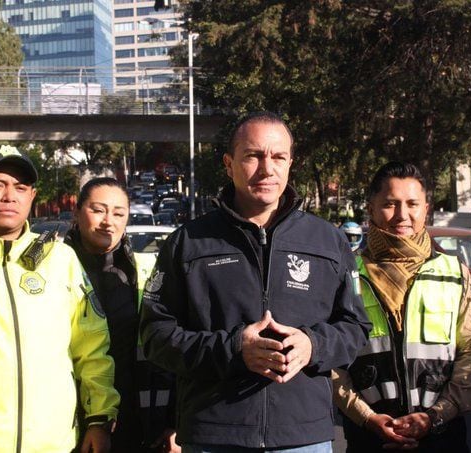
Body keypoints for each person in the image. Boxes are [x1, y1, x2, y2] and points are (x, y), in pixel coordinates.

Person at [139, 112, 371, 452]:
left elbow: (356, 327)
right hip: (213, 434)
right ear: (229, 163)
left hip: (303, 437)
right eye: (253, 156)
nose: (267, 169)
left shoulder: (327, 241)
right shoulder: (187, 243)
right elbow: (155, 335)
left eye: (278, 157)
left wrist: (312, 346)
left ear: (291, 162)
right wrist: (232, 349)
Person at [0, 145, 120, 453]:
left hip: (54, 444)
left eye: (20, 187)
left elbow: (91, 347)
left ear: (32, 196)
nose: (9, 197)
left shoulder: (60, 259)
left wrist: (98, 420)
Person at [332, 161, 471, 452]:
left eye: (412, 204)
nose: (402, 215)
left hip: (443, 436)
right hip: (369, 438)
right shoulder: (347, 273)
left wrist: (435, 417)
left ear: (426, 209)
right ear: (371, 208)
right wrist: (367, 418)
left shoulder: (454, 273)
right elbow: (331, 359)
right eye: (390, 204)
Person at [65, 177, 179, 453]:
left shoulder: (145, 272)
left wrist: (174, 423)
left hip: (136, 421)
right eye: (98, 210)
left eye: (118, 213)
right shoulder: (50, 270)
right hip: (66, 421)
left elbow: (170, 351)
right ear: (77, 212)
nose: (109, 221)